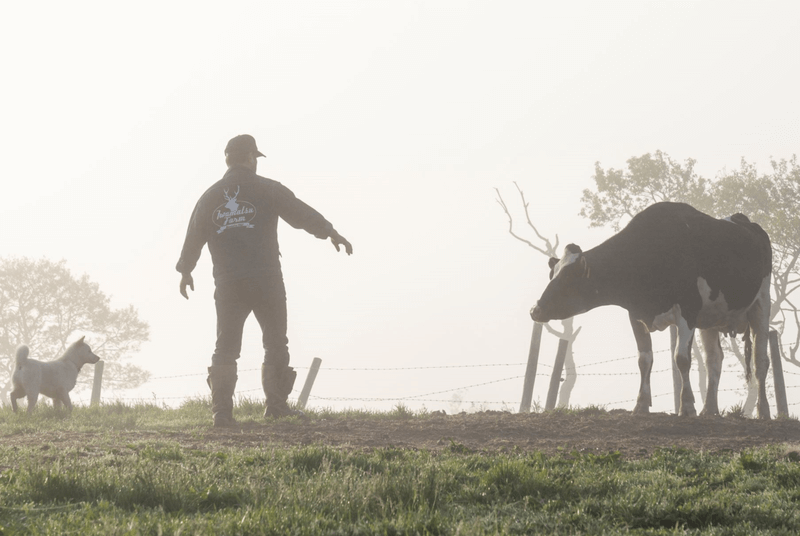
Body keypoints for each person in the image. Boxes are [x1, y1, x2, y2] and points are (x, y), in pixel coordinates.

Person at [176, 134, 352, 427]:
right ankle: (276, 407)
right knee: (274, 341)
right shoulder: (267, 189)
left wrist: (185, 270)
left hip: (228, 283)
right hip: (266, 280)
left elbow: (194, 236)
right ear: (249, 157)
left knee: (226, 346)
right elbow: (300, 214)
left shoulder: (209, 197)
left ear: (227, 160)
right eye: (255, 157)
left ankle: (221, 412)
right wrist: (330, 232)